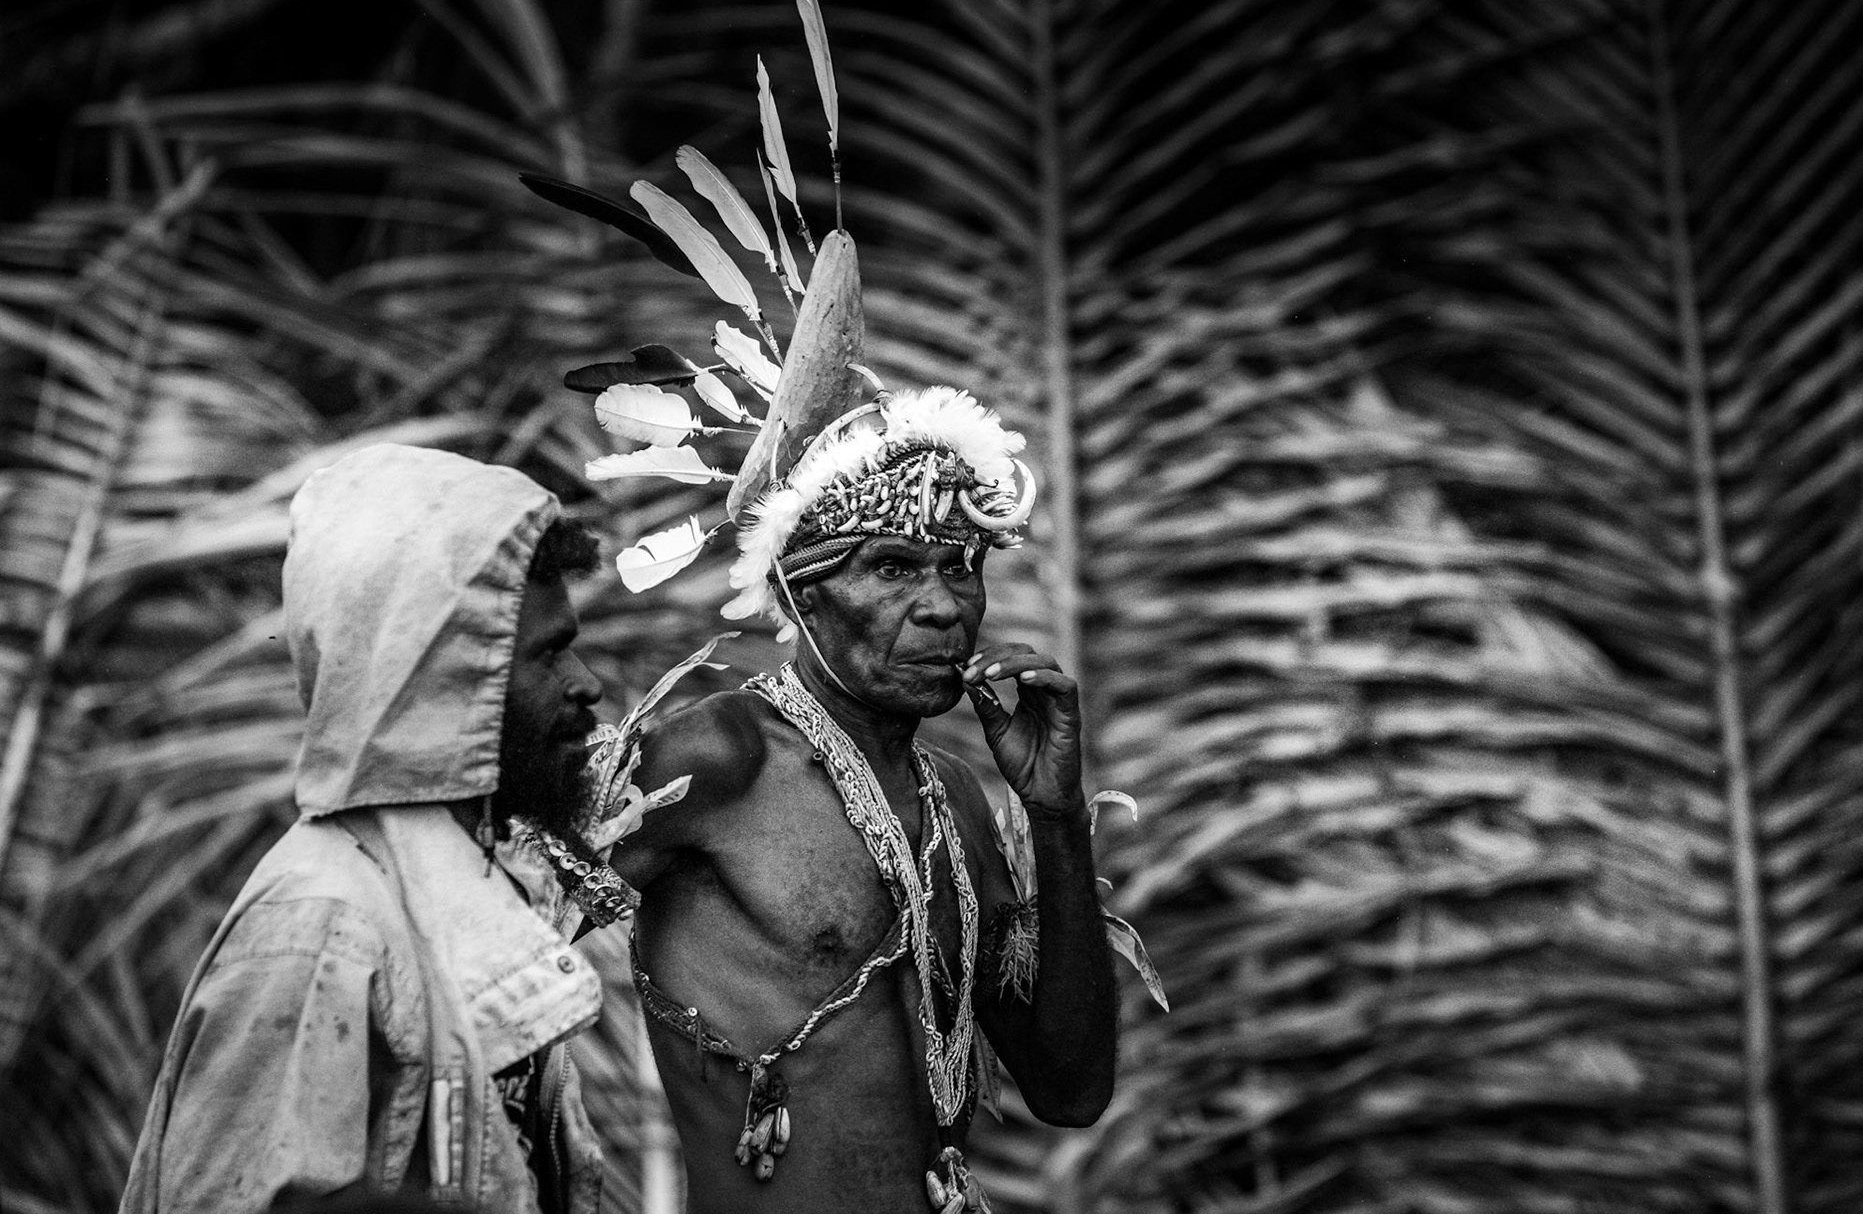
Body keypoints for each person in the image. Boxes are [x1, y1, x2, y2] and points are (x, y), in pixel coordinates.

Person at [584, 235, 1126, 1214]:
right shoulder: (721, 756)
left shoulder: (958, 797)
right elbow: (506, 941)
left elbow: (1072, 1087)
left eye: (961, 565)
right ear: (801, 590)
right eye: (892, 567)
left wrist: (1051, 811)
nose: (943, 605)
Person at [120, 443, 612, 1214]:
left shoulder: (467, 885)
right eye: (549, 653)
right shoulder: (322, 924)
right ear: (446, 680)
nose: (589, 684)